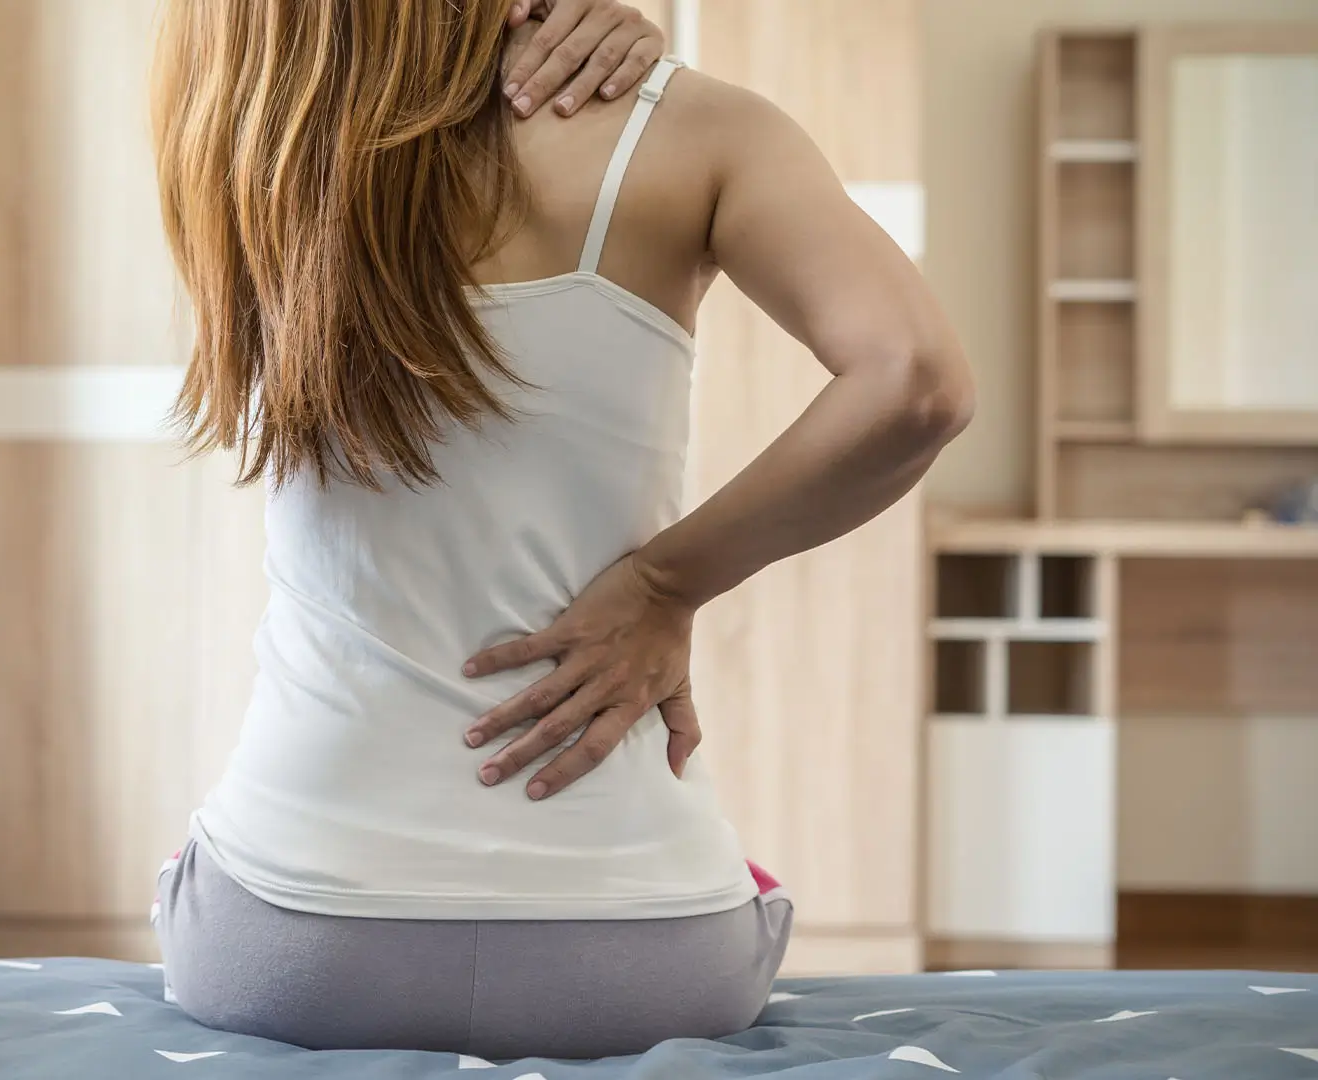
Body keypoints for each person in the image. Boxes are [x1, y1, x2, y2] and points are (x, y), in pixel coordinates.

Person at [148, 0, 974, 1061]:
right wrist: (665, 588)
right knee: (736, 886)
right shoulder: (692, 131)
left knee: (208, 861)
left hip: (289, 951)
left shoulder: (240, 136)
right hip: (645, 956)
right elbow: (916, 383)